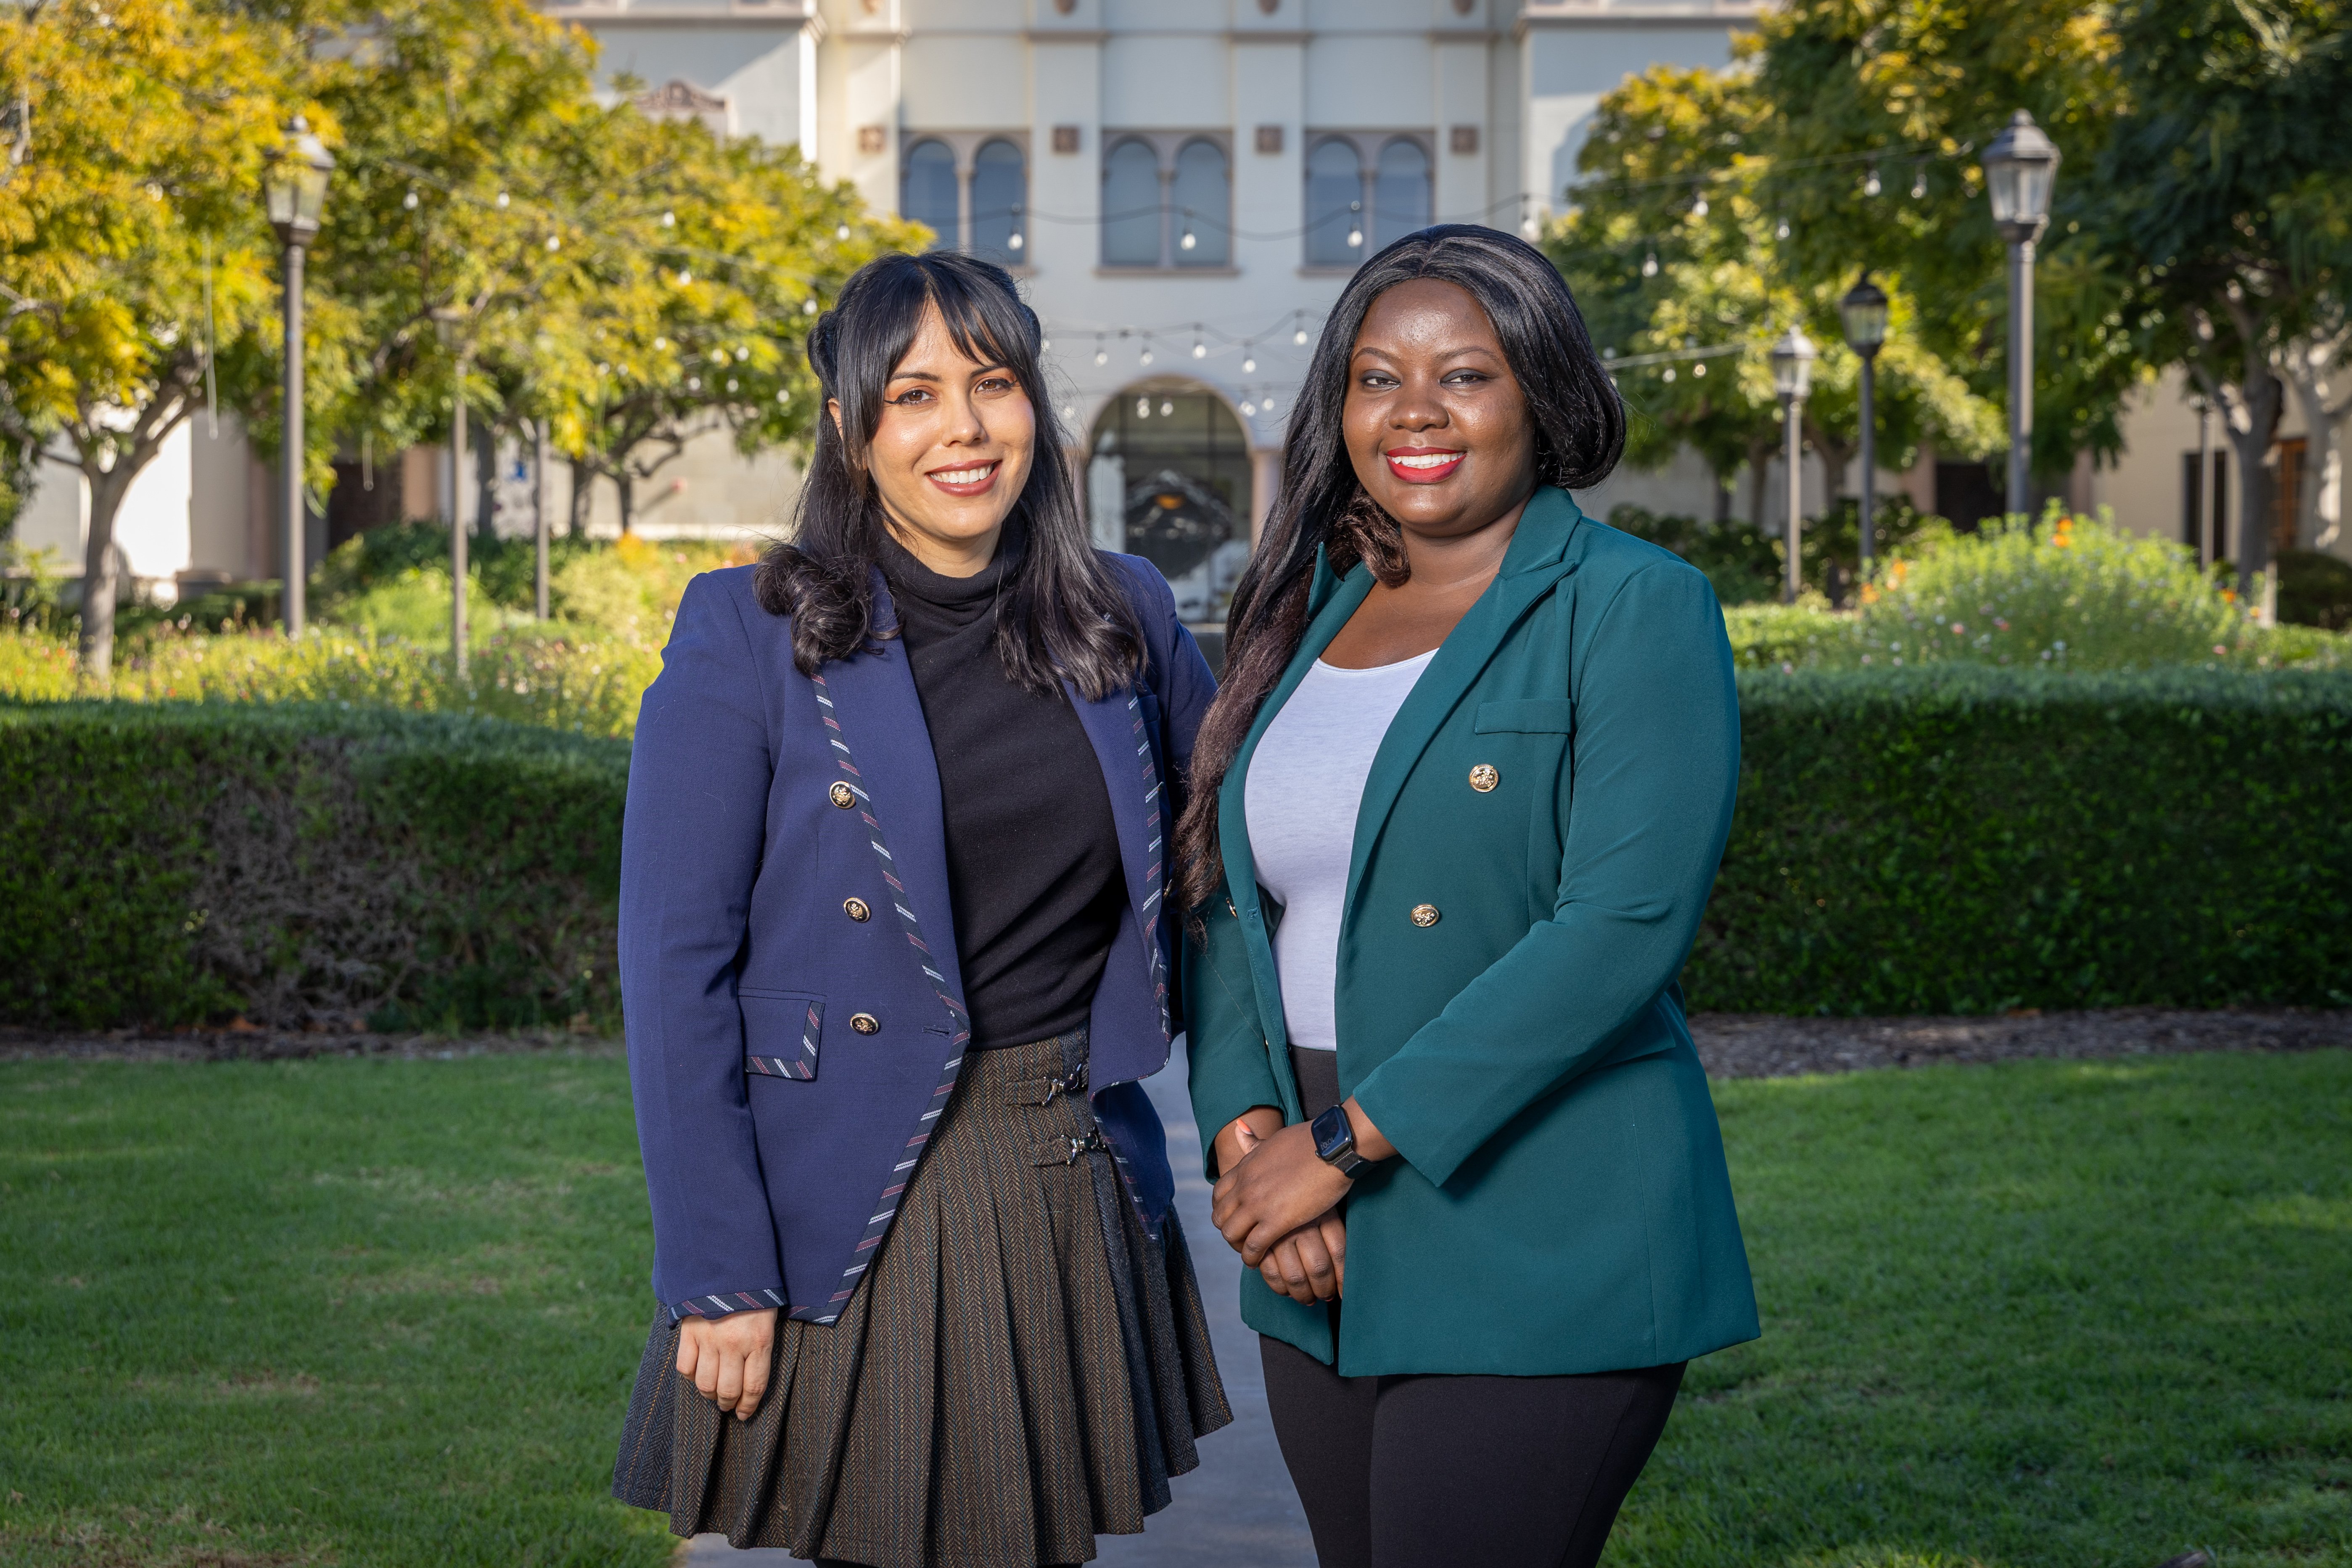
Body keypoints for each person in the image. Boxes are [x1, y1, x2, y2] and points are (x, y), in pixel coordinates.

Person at [612, 249, 1229, 1568]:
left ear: (1034, 409)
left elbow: (1215, 871)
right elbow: (674, 967)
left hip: (1066, 1165)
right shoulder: (751, 630)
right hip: (854, 1189)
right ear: (848, 430)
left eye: (993, 385)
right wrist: (717, 1264)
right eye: (912, 395)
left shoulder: (1122, 615)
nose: (962, 428)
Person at [1176, 225, 1759, 1568]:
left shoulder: (1631, 605)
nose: (1416, 414)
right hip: (1314, 1217)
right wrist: (1246, 1129)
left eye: (1467, 376)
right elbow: (1225, 901)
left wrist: (1334, 1146)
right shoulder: (1309, 605)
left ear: (1541, 397)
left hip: (1536, 1215)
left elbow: (1619, 928)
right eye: (1377, 378)